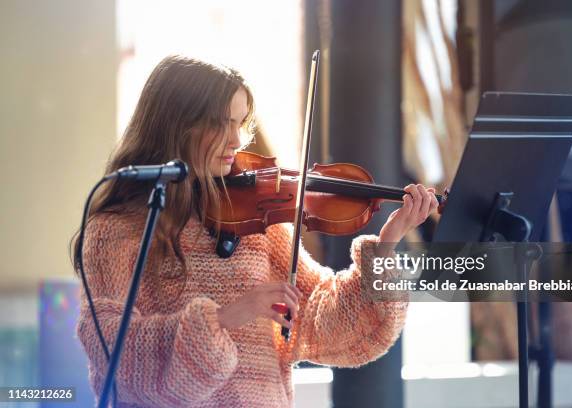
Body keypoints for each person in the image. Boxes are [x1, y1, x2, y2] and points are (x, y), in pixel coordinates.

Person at [74, 55, 438, 407]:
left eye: (240, 122)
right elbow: (113, 353)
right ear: (176, 125)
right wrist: (226, 316)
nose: (236, 140)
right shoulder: (117, 230)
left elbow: (326, 320)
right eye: (220, 123)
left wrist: (388, 243)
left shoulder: (252, 221)